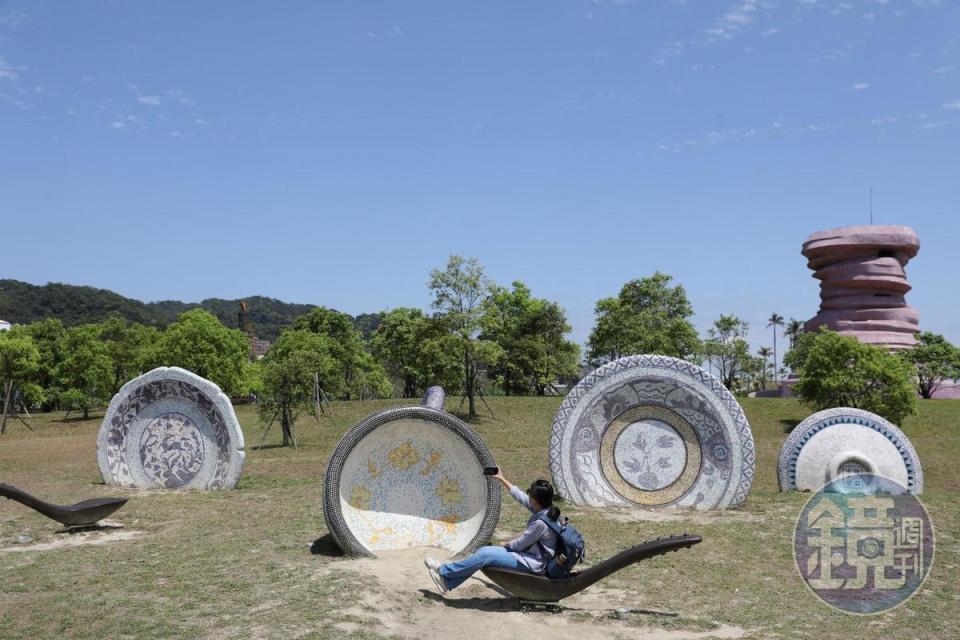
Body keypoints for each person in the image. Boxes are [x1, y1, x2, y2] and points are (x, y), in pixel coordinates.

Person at [424, 470, 561, 594]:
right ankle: (447, 582)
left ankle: (443, 570)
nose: (528, 496)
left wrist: (506, 544)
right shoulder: (546, 510)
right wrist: (502, 478)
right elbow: (521, 497)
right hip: (530, 557)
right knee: (484, 553)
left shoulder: (541, 523)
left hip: (532, 563)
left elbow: (520, 544)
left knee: (484, 554)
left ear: (536, 501)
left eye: (530, 494)